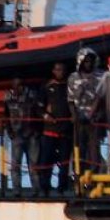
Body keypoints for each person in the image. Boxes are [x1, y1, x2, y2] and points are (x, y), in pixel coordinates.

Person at [68, 47, 105, 173]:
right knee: (79, 148)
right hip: (79, 120)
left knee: (94, 149)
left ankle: (94, 175)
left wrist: (96, 113)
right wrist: (74, 116)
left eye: (90, 61)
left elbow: (103, 97)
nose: (88, 64)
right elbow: (70, 100)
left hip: (95, 120)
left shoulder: (102, 76)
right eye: (86, 61)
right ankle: (78, 176)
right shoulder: (73, 78)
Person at [3, 77, 41, 194]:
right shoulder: (8, 96)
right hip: (16, 134)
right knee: (15, 165)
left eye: (20, 85)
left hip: (31, 134)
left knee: (34, 164)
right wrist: (9, 131)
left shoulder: (31, 95)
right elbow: (5, 114)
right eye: (16, 85)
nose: (18, 88)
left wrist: (36, 131)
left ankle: (36, 190)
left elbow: (37, 112)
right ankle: (16, 190)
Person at [41, 62, 72, 194]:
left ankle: (62, 188)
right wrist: (45, 115)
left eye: (62, 70)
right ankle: (45, 187)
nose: (60, 72)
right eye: (58, 70)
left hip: (65, 130)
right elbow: (38, 105)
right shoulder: (47, 86)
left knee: (64, 163)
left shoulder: (69, 86)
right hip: (50, 130)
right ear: (53, 71)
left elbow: (73, 103)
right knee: (47, 161)